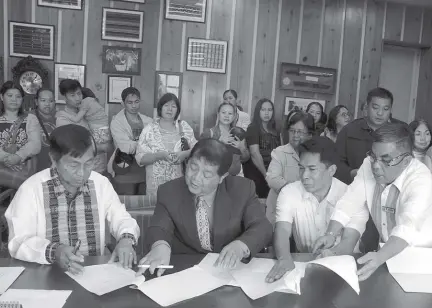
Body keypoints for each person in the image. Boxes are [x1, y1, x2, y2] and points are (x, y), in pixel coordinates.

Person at [5, 124, 140, 272]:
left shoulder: (100, 184)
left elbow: (121, 218)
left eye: (89, 163)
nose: (82, 173)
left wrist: (126, 239)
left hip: (94, 274)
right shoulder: (31, 189)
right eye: (74, 165)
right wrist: (55, 252)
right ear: (54, 160)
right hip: (47, 276)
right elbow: (18, 242)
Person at [313, 123, 432, 281]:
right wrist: (330, 234)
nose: (376, 165)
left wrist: (379, 257)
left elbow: (407, 227)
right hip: (386, 254)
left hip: (419, 261)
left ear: (406, 161)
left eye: (386, 159)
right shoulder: (368, 164)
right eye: (374, 156)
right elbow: (350, 200)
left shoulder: (422, 180)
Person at [137, 139, 272, 276]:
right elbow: (159, 227)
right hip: (185, 272)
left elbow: (262, 227)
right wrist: (160, 246)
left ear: (222, 177)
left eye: (207, 174)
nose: (195, 178)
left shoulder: (242, 189)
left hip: (229, 271)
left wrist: (241, 246)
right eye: (193, 168)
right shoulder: (169, 191)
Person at [265, 137, 368, 283]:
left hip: (346, 267)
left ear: (331, 170)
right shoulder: (289, 192)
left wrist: (332, 253)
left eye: (312, 169)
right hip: (305, 267)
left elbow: (349, 241)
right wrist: (284, 258)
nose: (304, 176)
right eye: (301, 168)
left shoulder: (351, 196)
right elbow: (282, 230)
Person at [135, 93, 197, 202]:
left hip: (180, 185)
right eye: (166, 105)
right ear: (160, 108)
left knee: (177, 215)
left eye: (173, 106)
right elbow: (140, 158)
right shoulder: (149, 130)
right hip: (155, 187)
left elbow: (198, 150)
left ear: (177, 110)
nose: (170, 109)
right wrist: (160, 155)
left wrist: (185, 154)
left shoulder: (184, 127)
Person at [336, 87, 403, 184]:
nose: (380, 113)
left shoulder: (398, 134)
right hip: (353, 186)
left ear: (390, 110)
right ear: (367, 107)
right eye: (375, 108)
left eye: (385, 109)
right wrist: (351, 173)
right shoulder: (349, 130)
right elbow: (336, 161)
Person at [265, 111, 314, 225]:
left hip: (305, 213)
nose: (295, 135)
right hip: (279, 211)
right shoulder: (280, 152)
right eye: (292, 131)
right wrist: (297, 191)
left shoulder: (315, 155)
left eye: (300, 132)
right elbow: (272, 178)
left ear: (310, 135)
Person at [56, 80, 109, 175]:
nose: (77, 98)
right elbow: (72, 147)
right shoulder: (62, 118)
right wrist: (101, 147)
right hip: (80, 172)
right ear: (64, 97)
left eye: (79, 93)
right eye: (72, 95)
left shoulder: (86, 111)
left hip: (99, 167)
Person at [108, 87, 152, 195]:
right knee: (125, 205)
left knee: (143, 205)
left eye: (136, 102)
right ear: (123, 103)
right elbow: (124, 147)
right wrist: (146, 146)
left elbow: (154, 141)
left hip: (144, 171)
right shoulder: (116, 122)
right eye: (130, 102)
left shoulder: (148, 120)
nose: (134, 105)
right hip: (125, 169)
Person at [0, 81, 41, 189]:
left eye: (18, 96)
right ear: (1, 97)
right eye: (10, 95)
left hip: (24, 171)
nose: (14, 99)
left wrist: (18, 157)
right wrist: (7, 158)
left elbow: (35, 144)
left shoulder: (30, 119)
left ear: (22, 99)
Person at [243, 98, 281, 198]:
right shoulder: (253, 128)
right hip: (257, 171)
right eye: (263, 110)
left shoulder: (275, 129)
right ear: (258, 111)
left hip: (272, 171)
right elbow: (255, 154)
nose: (267, 113)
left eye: (269, 110)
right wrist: (266, 175)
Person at [201, 102, 250, 176]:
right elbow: (201, 155)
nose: (226, 116)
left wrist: (241, 148)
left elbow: (245, 158)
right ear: (218, 114)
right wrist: (219, 141)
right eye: (223, 112)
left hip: (236, 177)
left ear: (234, 117)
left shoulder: (238, 133)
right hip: (214, 176)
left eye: (230, 113)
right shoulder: (209, 133)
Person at [32, 88, 57, 171]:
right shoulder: (29, 117)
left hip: (53, 163)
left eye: (51, 101)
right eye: (43, 100)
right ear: (36, 102)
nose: (47, 104)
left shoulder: (59, 117)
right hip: (34, 164)